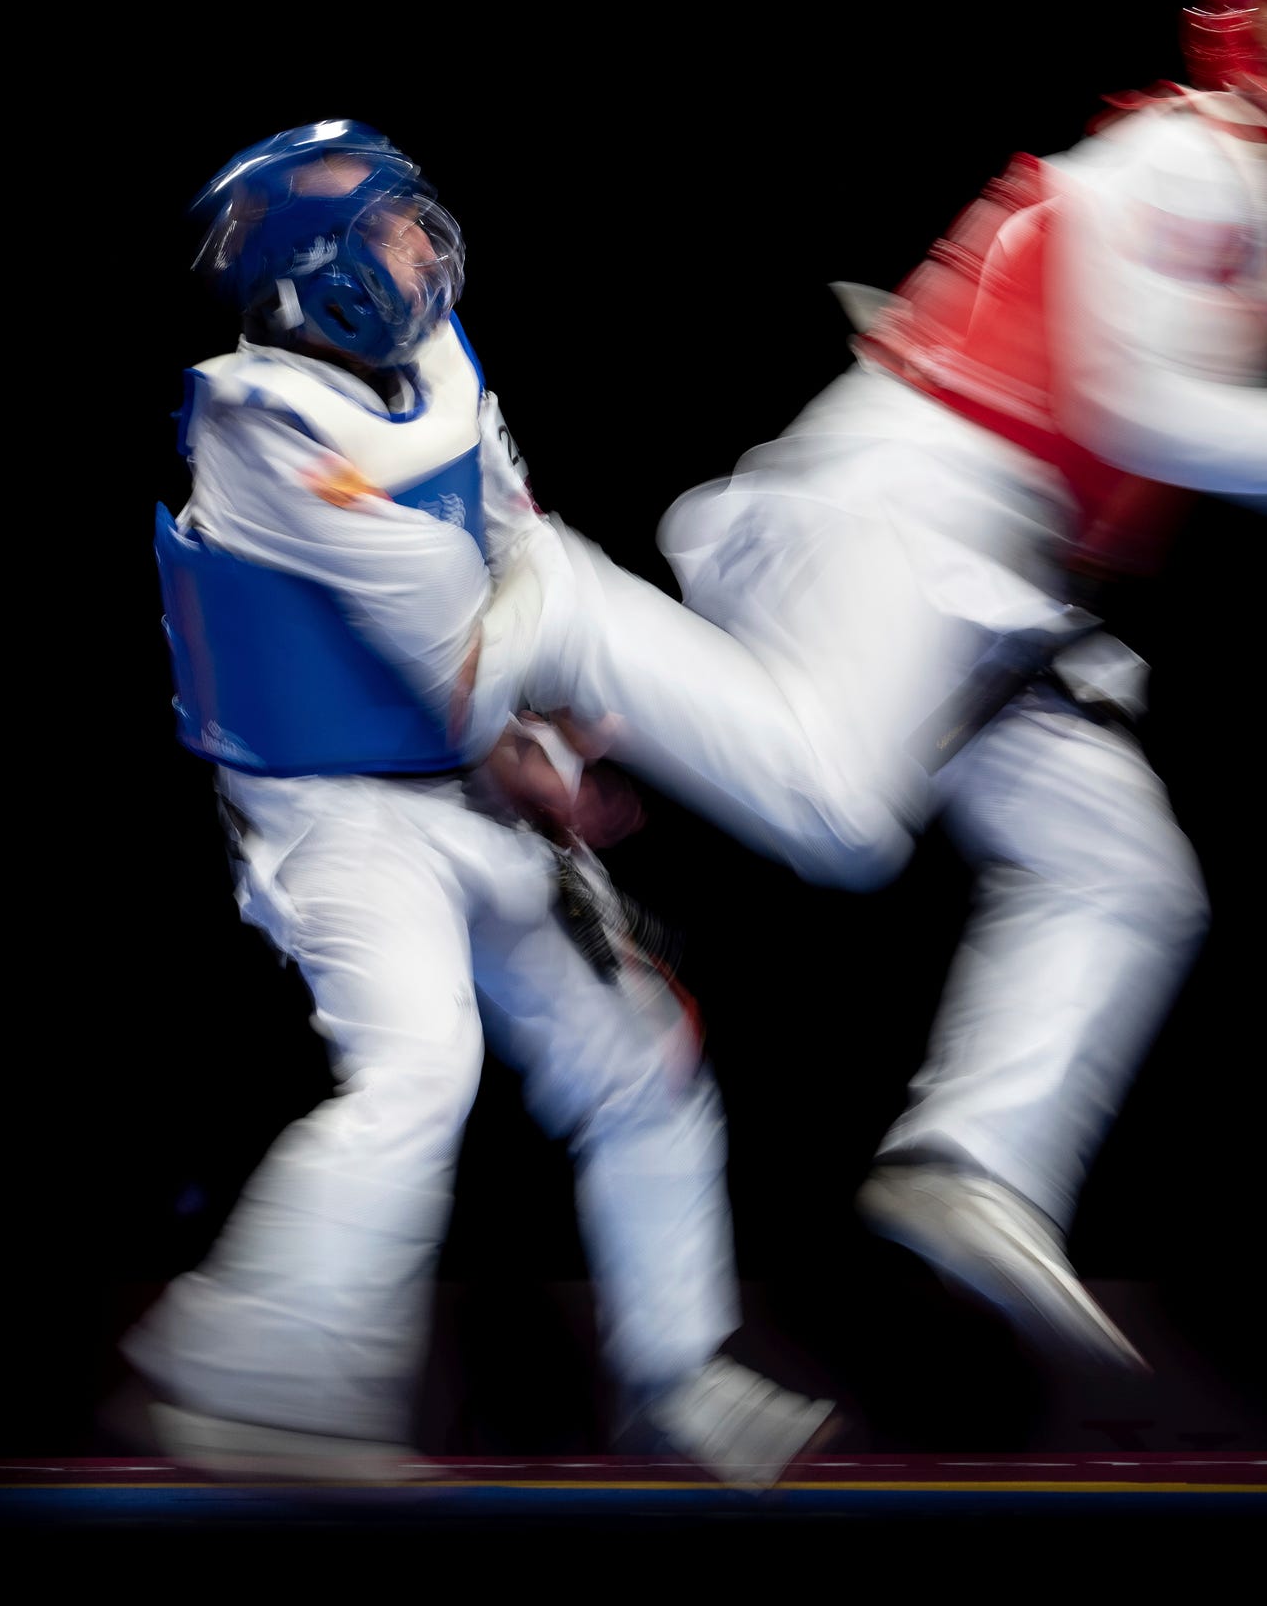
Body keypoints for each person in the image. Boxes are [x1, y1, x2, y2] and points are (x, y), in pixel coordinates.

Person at [594, 0, 1267, 1374]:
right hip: (903, 518)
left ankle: (974, 1162)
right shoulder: (1194, 156)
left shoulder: (1263, 193)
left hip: (1001, 576)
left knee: (1127, 879)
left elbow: (1105, 422)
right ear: (1242, 21)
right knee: (839, 815)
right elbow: (1141, 411)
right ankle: (557, 610)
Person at [125, 122, 841, 1486]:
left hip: (465, 790)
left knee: (644, 1061)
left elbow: (508, 540)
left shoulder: (439, 365)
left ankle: (677, 1377)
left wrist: (542, 736)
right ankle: (252, 1375)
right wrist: (534, 691)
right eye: (392, 231)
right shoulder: (262, 429)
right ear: (321, 273)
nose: (424, 248)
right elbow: (466, 665)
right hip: (337, 820)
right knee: (420, 1068)